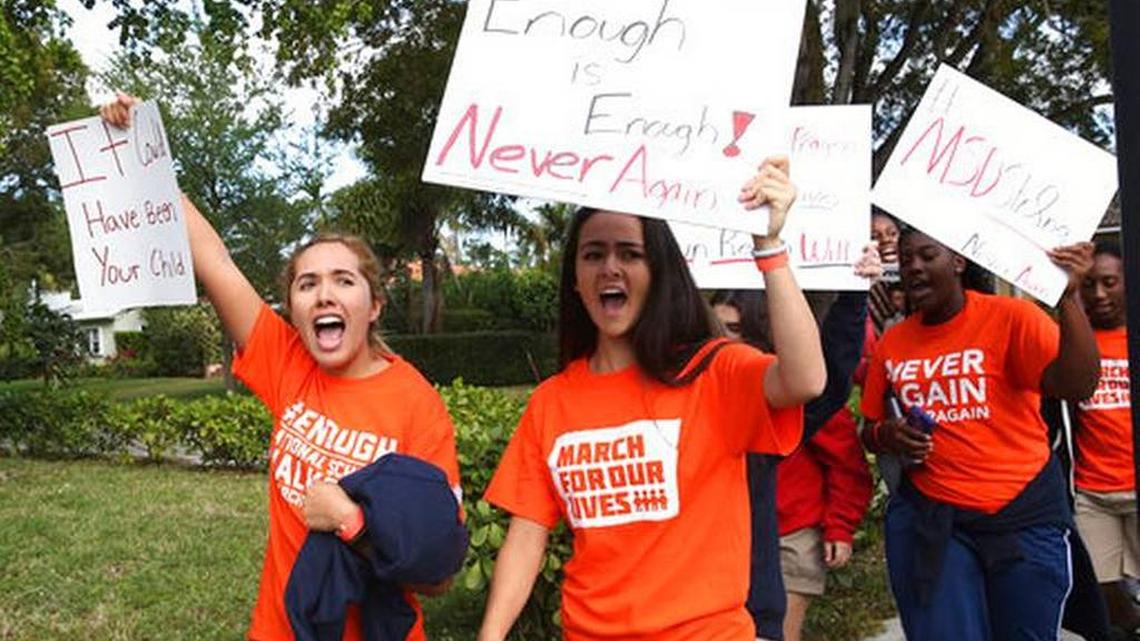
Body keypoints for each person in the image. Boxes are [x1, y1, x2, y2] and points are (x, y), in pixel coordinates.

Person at [101, 95, 463, 641]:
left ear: (375, 305)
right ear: (292, 307)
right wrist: (141, 150)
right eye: (307, 283)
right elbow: (214, 260)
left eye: (344, 281)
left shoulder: (418, 405)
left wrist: (353, 524)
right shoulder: (287, 360)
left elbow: (439, 575)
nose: (324, 295)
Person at [476, 157, 827, 641]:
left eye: (630, 254)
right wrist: (491, 635)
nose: (610, 267)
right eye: (593, 255)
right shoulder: (551, 403)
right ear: (575, 279)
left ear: (658, 272)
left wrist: (769, 247)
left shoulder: (713, 371)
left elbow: (806, 379)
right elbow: (527, 532)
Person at [860, 227, 1099, 641]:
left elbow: (1078, 385)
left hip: (1024, 517)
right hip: (939, 523)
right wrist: (888, 435)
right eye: (906, 258)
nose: (914, 267)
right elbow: (869, 430)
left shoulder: (1012, 317)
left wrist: (1069, 299)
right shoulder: (893, 343)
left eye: (927, 255)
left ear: (958, 261)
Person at [710, 244, 880, 641]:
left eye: (732, 330)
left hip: (783, 549)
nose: (721, 343)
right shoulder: (688, 398)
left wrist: (853, 292)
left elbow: (829, 379)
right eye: (713, 329)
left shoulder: (776, 404)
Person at [1072, 240, 1139, 636]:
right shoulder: (1075, 343)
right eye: (1089, 285)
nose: (1098, 294)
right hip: (1093, 492)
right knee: (1100, 589)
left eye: (1109, 283)